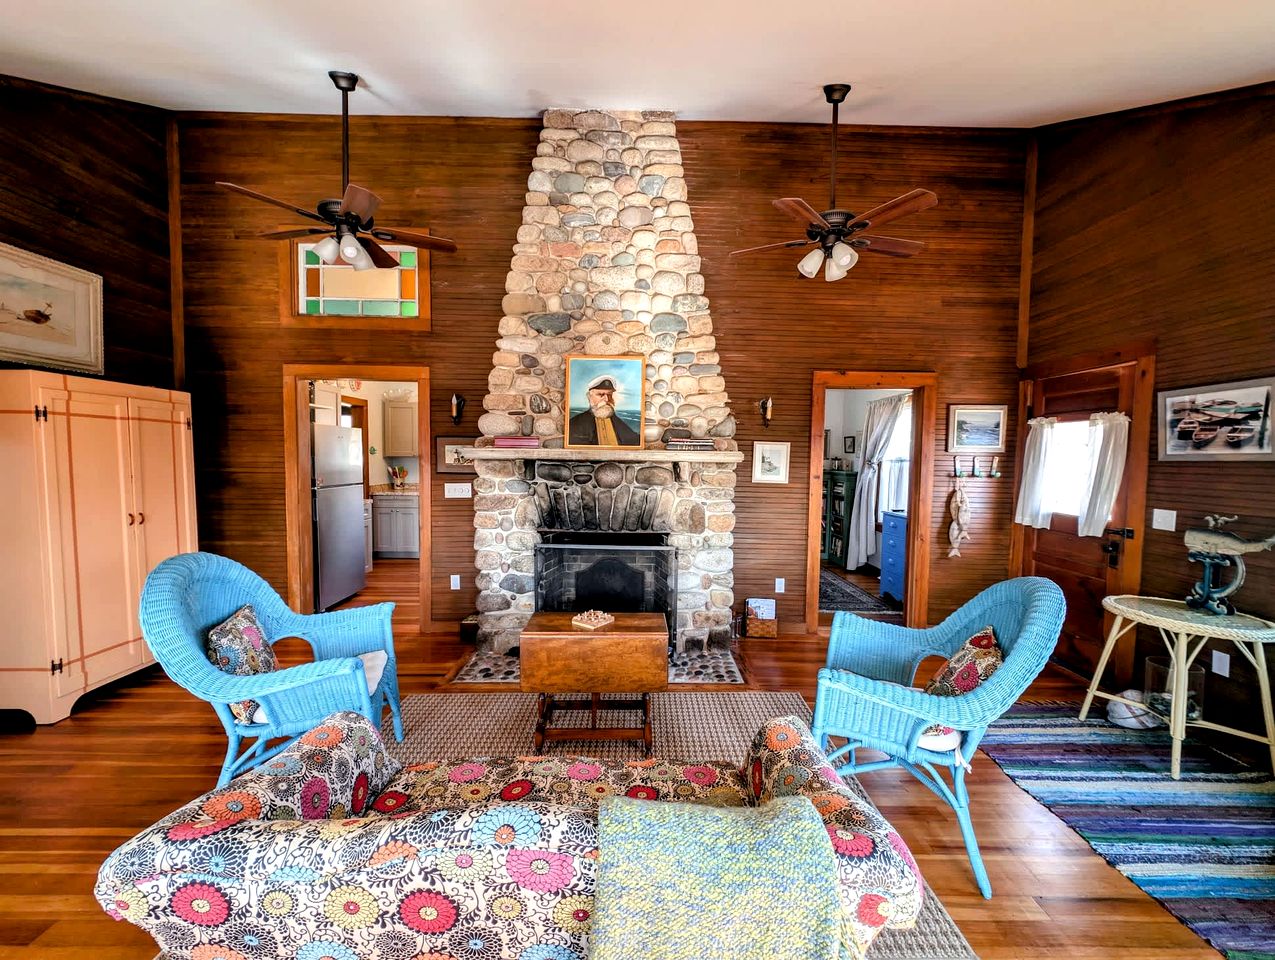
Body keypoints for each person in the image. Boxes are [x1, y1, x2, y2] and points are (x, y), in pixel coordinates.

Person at [568, 376, 639, 446]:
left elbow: (634, 441)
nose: (607, 399)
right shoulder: (574, 424)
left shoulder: (617, 421)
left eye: (609, 395)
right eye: (601, 394)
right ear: (589, 397)